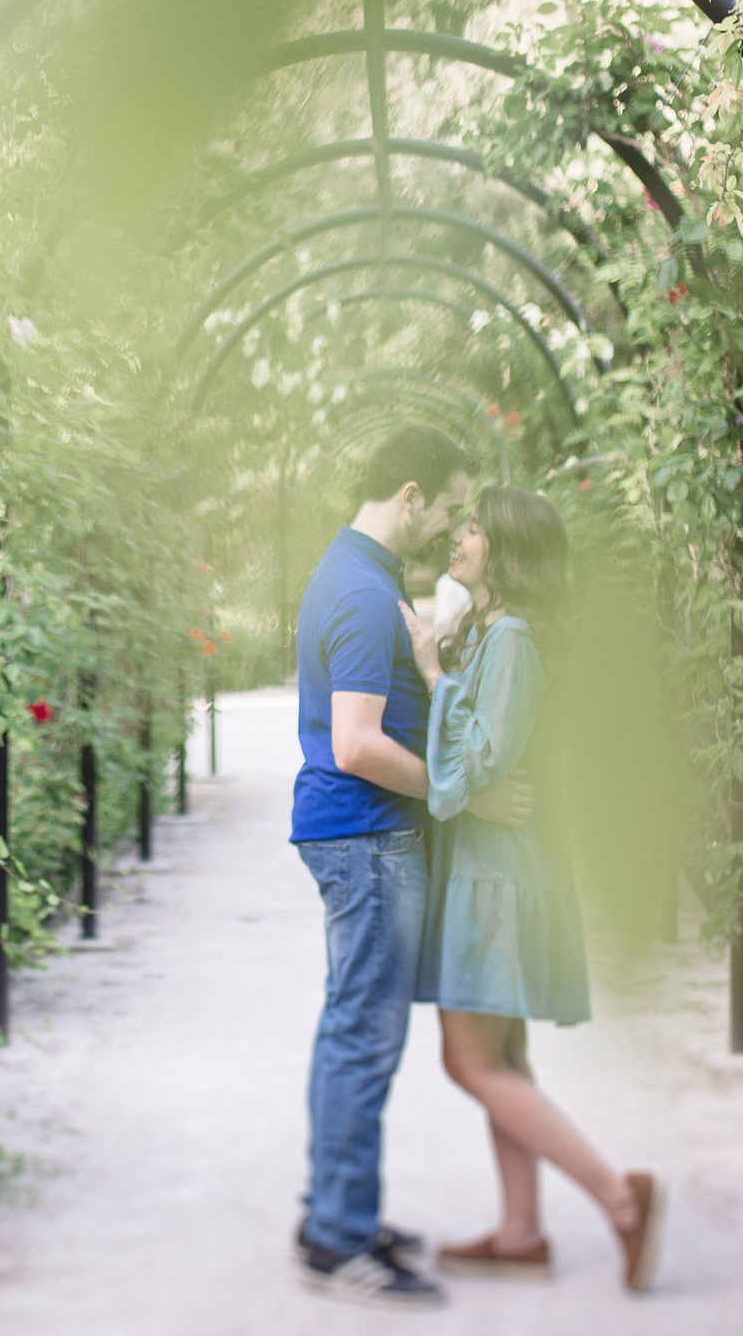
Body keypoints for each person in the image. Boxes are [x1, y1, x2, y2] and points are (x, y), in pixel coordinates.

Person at [289, 426, 532, 1306]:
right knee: (364, 1033)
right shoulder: (359, 588)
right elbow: (356, 745)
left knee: (348, 1026)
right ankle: (341, 1241)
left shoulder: (361, 570)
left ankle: (333, 1213)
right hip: (367, 836)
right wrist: (457, 791)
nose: (452, 523)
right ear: (409, 494)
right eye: (450, 505)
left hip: (360, 837)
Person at [403, 487, 666, 1293]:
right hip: (494, 873)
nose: (460, 536)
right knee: (504, 1058)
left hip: (497, 881)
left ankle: (621, 1198)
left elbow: (478, 762)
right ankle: (521, 1231)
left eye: (475, 528)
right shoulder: (493, 631)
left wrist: (432, 673)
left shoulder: (510, 638)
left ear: (508, 550)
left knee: (469, 1061)